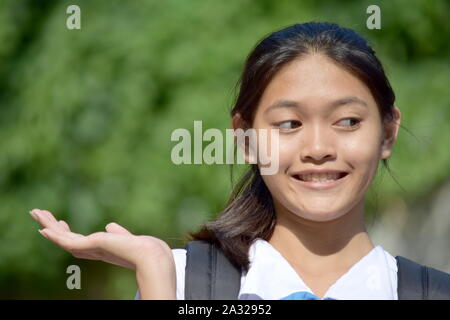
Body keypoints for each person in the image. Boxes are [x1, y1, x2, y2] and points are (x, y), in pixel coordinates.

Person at [29, 22, 448, 300]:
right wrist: (157, 273)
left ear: (388, 132)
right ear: (245, 139)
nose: (318, 147)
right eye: (289, 123)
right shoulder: (180, 283)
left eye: (348, 120)